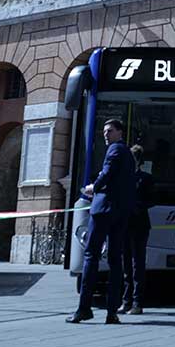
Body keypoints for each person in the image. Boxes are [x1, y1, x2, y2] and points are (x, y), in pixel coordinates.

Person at [69, 119, 134, 324]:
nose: (105, 134)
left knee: (91, 256)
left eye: (110, 131)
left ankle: (84, 308)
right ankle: (111, 312)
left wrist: (93, 187)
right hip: (121, 212)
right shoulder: (129, 155)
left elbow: (107, 173)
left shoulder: (115, 150)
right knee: (116, 261)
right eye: (104, 131)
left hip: (104, 210)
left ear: (120, 133)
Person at [118, 144, 154, 316]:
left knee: (137, 264)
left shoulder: (145, 178)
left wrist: (136, 207)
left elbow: (151, 200)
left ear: (138, 160)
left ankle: (138, 302)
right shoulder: (123, 178)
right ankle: (126, 301)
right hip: (125, 224)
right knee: (126, 264)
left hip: (140, 224)